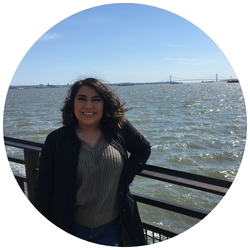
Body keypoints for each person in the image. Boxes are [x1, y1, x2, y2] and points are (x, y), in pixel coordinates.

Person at [34, 78, 151, 246]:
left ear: (105, 104)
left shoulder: (119, 129)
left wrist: (126, 177)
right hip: (69, 228)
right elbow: (44, 190)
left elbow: (143, 149)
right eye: (82, 99)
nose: (88, 105)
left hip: (111, 229)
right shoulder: (56, 140)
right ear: (72, 103)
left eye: (96, 100)